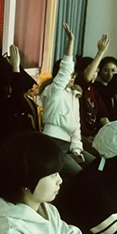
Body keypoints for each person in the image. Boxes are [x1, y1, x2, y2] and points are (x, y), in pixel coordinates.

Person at [0, 45, 40, 176]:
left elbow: (28, 85)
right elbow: (17, 102)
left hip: (1, 158)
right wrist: (15, 69)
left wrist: (17, 68)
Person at [40, 23, 85, 178]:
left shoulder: (74, 94)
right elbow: (65, 70)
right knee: (80, 175)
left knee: (94, 166)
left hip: (68, 143)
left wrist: (77, 149)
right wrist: (70, 42)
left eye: (74, 75)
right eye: (70, 75)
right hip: (52, 142)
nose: (72, 77)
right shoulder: (53, 91)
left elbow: (76, 125)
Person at [74, 35, 111, 141]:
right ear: (81, 72)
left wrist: (110, 130)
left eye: (96, 71)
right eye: (92, 70)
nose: (95, 74)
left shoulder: (94, 90)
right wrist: (100, 52)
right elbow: (87, 78)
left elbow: (102, 115)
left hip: (94, 134)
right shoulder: (79, 86)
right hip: (80, 136)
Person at [96, 53, 117, 120]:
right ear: (100, 71)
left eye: (113, 70)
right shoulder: (97, 86)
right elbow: (110, 92)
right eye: (106, 70)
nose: (110, 74)